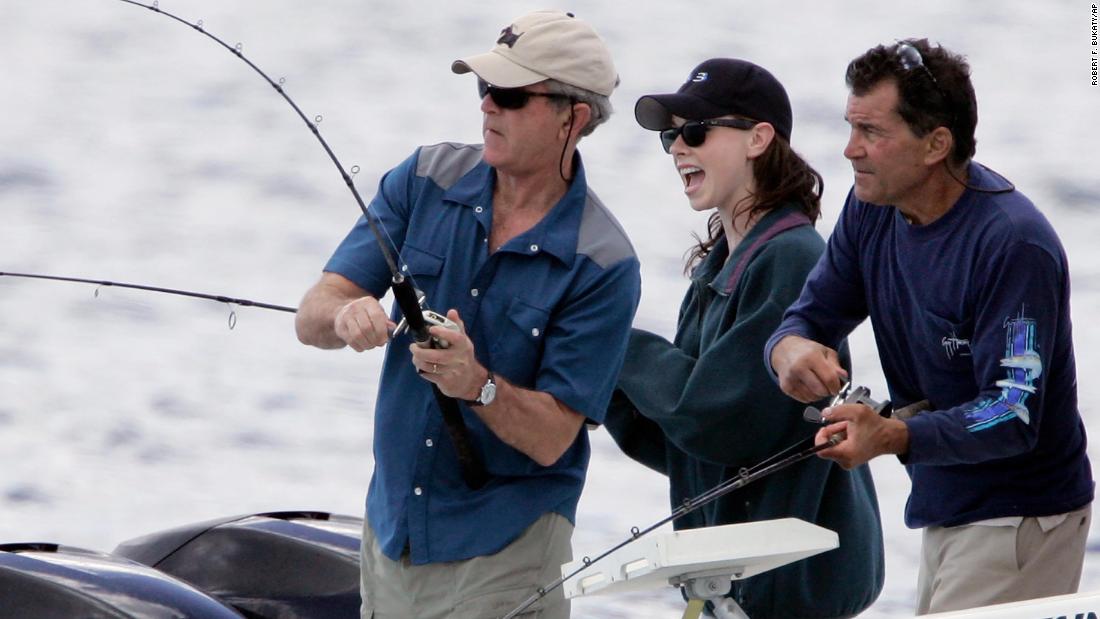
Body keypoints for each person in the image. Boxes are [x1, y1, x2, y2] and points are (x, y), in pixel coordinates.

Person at [295, 11, 641, 619]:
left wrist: (476, 384)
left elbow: (552, 437)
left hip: (505, 553)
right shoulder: (422, 178)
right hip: (392, 534)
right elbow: (313, 313)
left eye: (509, 95)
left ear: (573, 117)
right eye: (484, 89)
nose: (487, 108)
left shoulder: (605, 264)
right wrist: (348, 314)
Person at [766, 38, 1094, 615]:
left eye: (872, 132)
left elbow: (1011, 411)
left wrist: (893, 436)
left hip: (1021, 516)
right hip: (944, 504)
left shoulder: (1013, 245)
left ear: (936, 145)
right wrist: (789, 350)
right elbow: (810, 315)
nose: (849, 150)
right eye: (850, 127)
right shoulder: (873, 206)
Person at [604, 58, 883, 619]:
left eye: (697, 131)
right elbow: (688, 443)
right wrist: (606, 392)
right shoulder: (717, 268)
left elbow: (715, 414)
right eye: (671, 136)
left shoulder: (793, 257)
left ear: (758, 138)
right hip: (729, 585)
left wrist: (607, 345)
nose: (679, 148)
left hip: (787, 591)